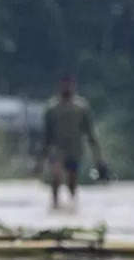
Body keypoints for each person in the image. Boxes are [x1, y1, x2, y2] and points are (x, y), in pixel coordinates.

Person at [38, 74, 106, 208]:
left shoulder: (81, 107)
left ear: (74, 86)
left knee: (72, 181)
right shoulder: (52, 108)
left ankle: (73, 206)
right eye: (64, 84)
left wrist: (99, 159)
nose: (67, 87)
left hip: (74, 150)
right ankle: (55, 205)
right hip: (56, 149)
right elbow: (46, 135)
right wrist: (40, 159)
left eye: (69, 84)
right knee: (56, 176)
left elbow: (90, 133)